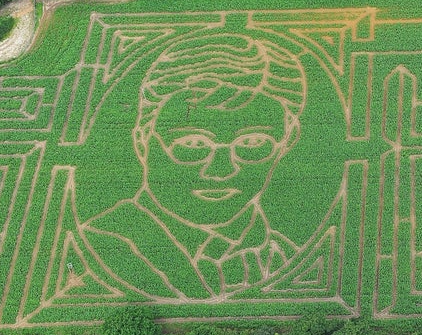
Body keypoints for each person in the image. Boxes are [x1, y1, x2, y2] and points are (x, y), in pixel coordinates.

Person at [82, 33, 309, 301]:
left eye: (252, 142)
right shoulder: (108, 243)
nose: (221, 171)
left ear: (285, 143)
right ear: (144, 141)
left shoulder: (282, 255)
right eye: (193, 144)